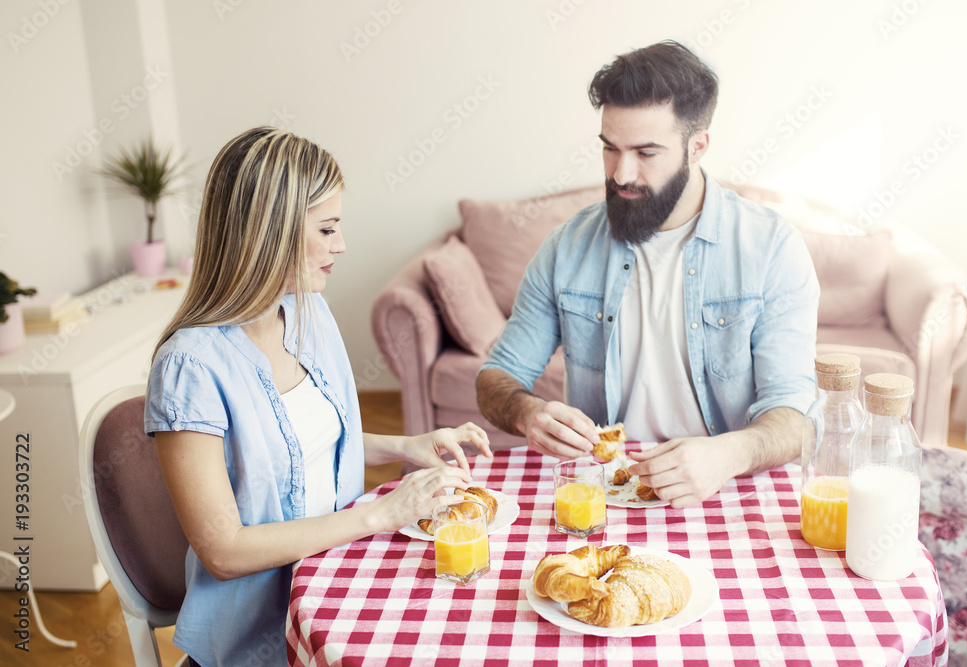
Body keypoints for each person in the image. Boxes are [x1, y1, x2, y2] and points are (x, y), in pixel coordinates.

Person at [145, 127, 491, 667]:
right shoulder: (190, 366)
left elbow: (302, 447)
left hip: (335, 589)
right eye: (327, 228)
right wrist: (381, 513)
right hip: (261, 643)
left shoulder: (307, 313)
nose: (341, 244)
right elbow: (223, 550)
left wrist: (408, 443)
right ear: (270, 234)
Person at [476, 41, 819, 509]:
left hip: (728, 489)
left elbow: (796, 413)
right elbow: (497, 377)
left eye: (646, 152)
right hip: (601, 494)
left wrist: (729, 453)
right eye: (610, 149)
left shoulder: (771, 247)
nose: (622, 173)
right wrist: (527, 414)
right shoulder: (566, 247)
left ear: (697, 146)